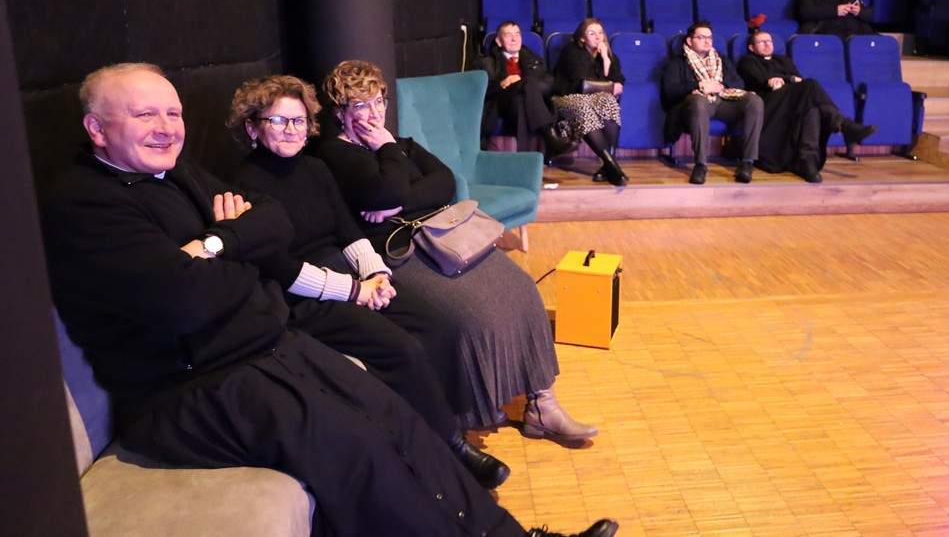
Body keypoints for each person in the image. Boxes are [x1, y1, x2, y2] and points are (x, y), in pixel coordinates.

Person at [41, 62, 618, 537]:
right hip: (189, 391)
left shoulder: (179, 172)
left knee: (396, 416)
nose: (166, 127)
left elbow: (273, 227)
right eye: (145, 114)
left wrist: (216, 245)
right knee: (361, 450)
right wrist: (244, 255)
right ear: (97, 128)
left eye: (173, 113)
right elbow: (188, 302)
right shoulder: (86, 205)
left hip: (263, 346)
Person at [227, 74, 508, 488]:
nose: (291, 130)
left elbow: (348, 231)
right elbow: (281, 268)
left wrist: (376, 273)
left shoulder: (314, 168)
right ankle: (449, 452)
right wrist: (355, 290)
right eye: (278, 121)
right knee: (401, 348)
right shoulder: (243, 184)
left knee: (437, 325)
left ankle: (448, 427)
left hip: (350, 274)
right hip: (302, 295)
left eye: (299, 121)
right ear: (252, 128)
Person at [314, 59, 599, 443]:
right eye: (361, 105)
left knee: (521, 289)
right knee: (471, 315)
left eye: (378, 101)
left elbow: (445, 182)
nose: (374, 113)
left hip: (443, 236)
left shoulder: (397, 145)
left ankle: (542, 405)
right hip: (398, 251)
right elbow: (385, 191)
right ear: (340, 111)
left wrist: (396, 189)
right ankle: (476, 409)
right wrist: (391, 168)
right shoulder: (334, 153)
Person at [736, 29, 879, 182]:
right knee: (811, 85)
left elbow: (800, 81)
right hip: (769, 104)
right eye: (761, 42)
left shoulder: (784, 60)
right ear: (752, 47)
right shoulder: (747, 61)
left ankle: (808, 161)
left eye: (769, 41)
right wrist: (788, 79)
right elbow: (762, 79)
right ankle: (842, 125)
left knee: (812, 108)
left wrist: (787, 79)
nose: (767, 44)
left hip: (791, 102)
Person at [660, 21, 764, 185]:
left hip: (724, 101)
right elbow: (670, 91)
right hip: (694, 105)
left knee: (754, 100)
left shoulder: (721, 59)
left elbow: (739, 82)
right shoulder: (678, 62)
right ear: (689, 41)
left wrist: (721, 85)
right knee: (699, 101)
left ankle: (747, 162)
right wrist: (700, 85)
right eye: (701, 37)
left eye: (709, 38)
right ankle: (701, 164)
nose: (707, 41)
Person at [475, 21, 577, 159]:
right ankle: (549, 137)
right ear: (499, 41)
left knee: (521, 100)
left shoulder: (533, 60)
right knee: (528, 82)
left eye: (517, 34)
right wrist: (501, 84)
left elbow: (549, 84)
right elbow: (478, 91)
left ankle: (523, 158)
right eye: (508, 35)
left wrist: (523, 83)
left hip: (523, 104)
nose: (514, 39)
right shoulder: (487, 62)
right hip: (499, 104)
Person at [552, 18, 628, 186]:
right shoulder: (571, 51)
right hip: (568, 96)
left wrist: (606, 59)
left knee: (608, 102)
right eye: (592, 33)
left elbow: (618, 83)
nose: (598, 37)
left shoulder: (608, 55)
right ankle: (613, 166)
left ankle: (608, 165)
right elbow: (583, 83)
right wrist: (609, 86)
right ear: (582, 38)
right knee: (583, 106)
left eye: (600, 33)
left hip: (594, 98)